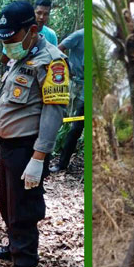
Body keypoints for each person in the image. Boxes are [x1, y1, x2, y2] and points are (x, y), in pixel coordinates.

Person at [0, 1, 69, 267]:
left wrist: (39, 157)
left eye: (11, 37)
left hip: (27, 149)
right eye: (3, 38)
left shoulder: (52, 61)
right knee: (8, 204)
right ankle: (12, 247)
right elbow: (7, 100)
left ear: (32, 30)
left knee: (23, 210)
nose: (6, 44)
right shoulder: (20, 56)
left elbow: (54, 111)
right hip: (9, 146)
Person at [50, 28, 84, 173]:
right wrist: (67, 68)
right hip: (76, 84)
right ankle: (58, 161)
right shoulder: (80, 35)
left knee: (77, 127)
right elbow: (59, 50)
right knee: (66, 122)